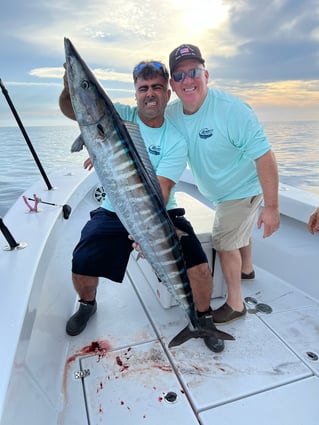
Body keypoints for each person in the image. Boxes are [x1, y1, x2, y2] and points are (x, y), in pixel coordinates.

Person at [59, 60, 226, 352]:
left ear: (167, 93)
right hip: (113, 208)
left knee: (199, 268)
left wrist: (146, 229)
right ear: (136, 93)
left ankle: (202, 319)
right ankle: (88, 304)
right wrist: (70, 85)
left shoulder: (175, 139)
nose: (150, 93)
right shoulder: (118, 115)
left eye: (157, 87)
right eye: (144, 88)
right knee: (81, 263)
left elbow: (161, 191)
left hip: (160, 211)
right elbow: (72, 109)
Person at [166, 44, 280, 325]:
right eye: (179, 76)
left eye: (193, 72)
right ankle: (248, 269)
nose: (187, 81)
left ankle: (235, 304)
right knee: (238, 230)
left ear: (206, 74)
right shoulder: (172, 114)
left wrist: (273, 207)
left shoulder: (232, 111)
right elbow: (147, 130)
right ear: (172, 84)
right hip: (221, 192)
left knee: (224, 241)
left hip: (242, 190)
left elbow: (265, 157)